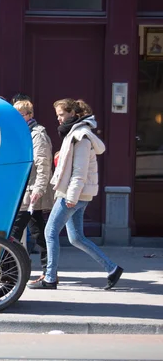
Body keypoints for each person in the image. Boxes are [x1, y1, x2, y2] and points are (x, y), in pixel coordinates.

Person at [28, 99, 123, 290]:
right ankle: (112, 269)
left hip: (73, 194)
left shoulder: (80, 136)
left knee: (50, 231)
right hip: (77, 193)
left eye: (62, 115)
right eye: (58, 116)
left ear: (73, 113)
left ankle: (50, 278)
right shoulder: (74, 134)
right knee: (76, 237)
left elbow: (79, 173)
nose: (59, 119)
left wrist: (70, 197)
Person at [9, 100, 54, 283]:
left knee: (15, 230)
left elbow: (43, 163)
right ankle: (49, 271)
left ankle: (10, 270)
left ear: (29, 115)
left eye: (20, 116)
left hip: (32, 190)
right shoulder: (22, 133)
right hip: (26, 188)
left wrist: (39, 188)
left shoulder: (37, 134)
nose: (17, 119)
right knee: (39, 232)